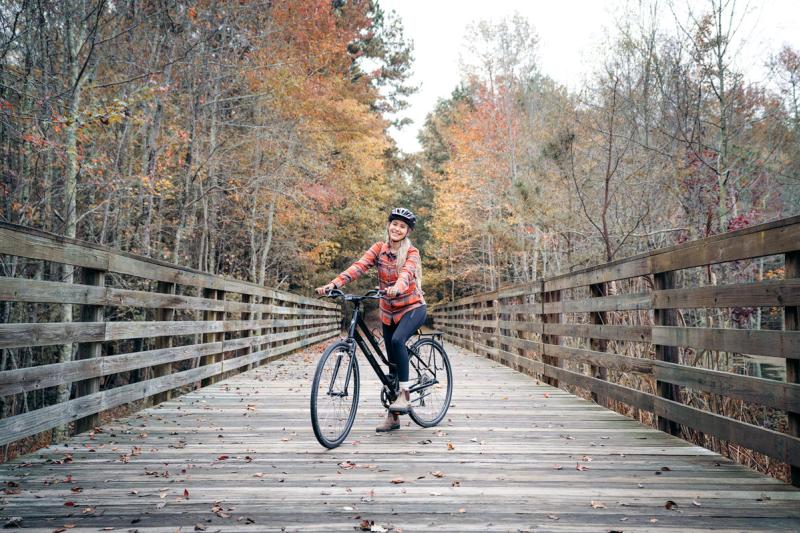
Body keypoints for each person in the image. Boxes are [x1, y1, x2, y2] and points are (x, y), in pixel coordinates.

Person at [316, 207, 426, 432]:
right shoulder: (379, 248)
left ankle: (404, 396)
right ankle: (394, 418)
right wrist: (333, 284)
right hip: (388, 311)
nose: (397, 228)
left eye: (402, 226)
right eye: (394, 223)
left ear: (407, 231)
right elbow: (359, 267)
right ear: (389, 225)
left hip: (412, 307)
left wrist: (397, 287)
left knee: (397, 342)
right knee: (392, 365)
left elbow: (407, 273)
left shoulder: (411, 252)